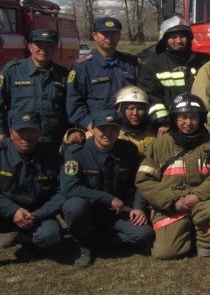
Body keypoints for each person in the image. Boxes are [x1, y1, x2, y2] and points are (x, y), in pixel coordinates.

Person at [135, 94, 210, 260]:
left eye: (193, 117)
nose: (188, 123)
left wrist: (197, 196)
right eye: (182, 117)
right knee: (165, 253)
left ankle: (205, 245)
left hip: (203, 200)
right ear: (174, 119)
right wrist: (173, 201)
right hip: (171, 204)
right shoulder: (159, 145)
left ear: (201, 119)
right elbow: (144, 180)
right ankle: (185, 233)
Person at [0, 111, 64, 275]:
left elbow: (62, 192)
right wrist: (13, 210)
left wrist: (38, 214)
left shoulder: (52, 157)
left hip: (34, 215)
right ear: (11, 132)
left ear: (40, 132)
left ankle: (28, 240)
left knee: (51, 236)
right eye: (21, 132)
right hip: (1, 212)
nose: (26, 137)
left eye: (32, 131)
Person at [61, 109, 154, 268]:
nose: (107, 134)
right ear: (93, 129)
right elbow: (69, 188)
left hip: (116, 212)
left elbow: (140, 181)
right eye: (103, 129)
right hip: (87, 209)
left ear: (119, 131)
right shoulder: (76, 152)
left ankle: (102, 239)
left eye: (113, 130)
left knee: (144, 234)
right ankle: (82, 245)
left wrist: (138, 207)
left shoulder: (128, 150)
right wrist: (108, 198)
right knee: (74, 206)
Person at [0, 29, 71, 150]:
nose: (43, 49)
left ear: (55, 48)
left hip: (53, 141)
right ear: (30, 46)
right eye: (39, 45)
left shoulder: (63, 74)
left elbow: (71, 107)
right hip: (20, 140)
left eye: (49, 45)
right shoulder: (12, 70)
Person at [67, 17, 141, 137]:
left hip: (128, 130)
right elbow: (74, 102)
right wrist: (88, 123)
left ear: (119, 36)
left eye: (114, 33)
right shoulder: (82, 67)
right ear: (94, 35)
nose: (109, 37)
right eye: (105, 33)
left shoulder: (131, 64)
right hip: (98, 130)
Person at [138, 16, 210, 129]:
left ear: (189, 38)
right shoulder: (154, 65)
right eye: (173, 37)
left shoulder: (204, 61)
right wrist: (164, 122)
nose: (178, 41)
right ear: (165, 40)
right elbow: (150, 97)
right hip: (170, 126)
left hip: (202, 123)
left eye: (182, 36)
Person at [63, 85, 159, 155]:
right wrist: (70, 138)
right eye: (130, 108)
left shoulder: (156, 135)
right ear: (120, 109)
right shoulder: (106, 133)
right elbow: (67, 151)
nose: (135, 113)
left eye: (140, 109)